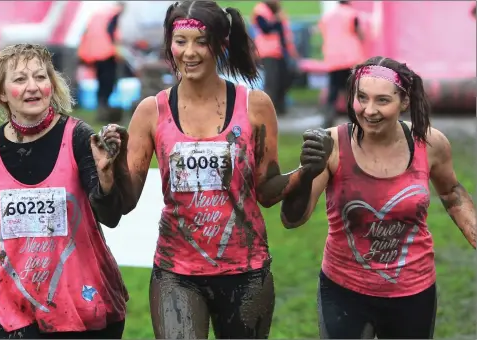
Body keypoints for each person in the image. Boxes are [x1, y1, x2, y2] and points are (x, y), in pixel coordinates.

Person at [105, 1, 326, 338]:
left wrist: (305, 172)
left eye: (201, 42)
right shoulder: (152, 112)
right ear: (170, 44)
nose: (189, 53)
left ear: (221, 45)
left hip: (245, 271)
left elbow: (266, 191)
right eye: (181, 42)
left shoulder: (255, 106)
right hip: (176, 272)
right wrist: (113, 166)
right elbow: (127, 200)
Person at [281, 56, 477, 339]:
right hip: (344, 289)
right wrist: (308, 173)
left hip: (413, 289)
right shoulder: (332, 144)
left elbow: (451, 192)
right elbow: (291, 220)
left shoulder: (430, 143)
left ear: (404, 102)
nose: (369, 110)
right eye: (362, 98)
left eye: (382, 101)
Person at [0, 43, 129, 339]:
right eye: (20, 79)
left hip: (84, 304)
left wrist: (107, 179)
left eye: (41, 77)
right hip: (15, 307)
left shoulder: (78, 136)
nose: (33, 87)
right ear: (3, 93)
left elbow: (110, 217)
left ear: (52, 84)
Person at [318, 0, 365, 128]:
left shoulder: (328, 16)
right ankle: (354, 118)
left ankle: (328, 118)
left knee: (333, 88)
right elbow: (360, 34)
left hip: (333, 57)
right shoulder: (352, 14)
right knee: (350, 89)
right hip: (349, 57)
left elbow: (323, 33)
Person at [78, 1, 126, 123]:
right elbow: (112, 32)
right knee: (108, 83)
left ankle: (102, 108)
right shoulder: (115, 15)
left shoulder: (101, 14)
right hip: (107, 53)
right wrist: (118, 50)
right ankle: (104, 110)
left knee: (101, 83)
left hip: (95, 54)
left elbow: (86, 33)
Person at [252, 0, 300, 115]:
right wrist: (277, 19)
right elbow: (265, 29)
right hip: (268, 52)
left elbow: (283, 33)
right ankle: (268, 111)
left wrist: (291, 50)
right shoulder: (261, 10)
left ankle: (280, 107)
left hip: (281, 51)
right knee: (272, 82)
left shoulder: (277, 11)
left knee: (283, 80)